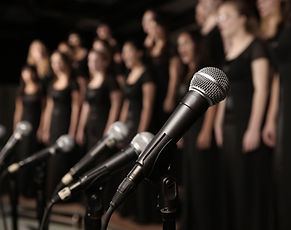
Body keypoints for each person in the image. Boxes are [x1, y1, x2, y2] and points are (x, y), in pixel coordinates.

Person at [215, 1, 270, 230]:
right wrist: (218, 124)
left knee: (247, 184)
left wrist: (254, 127)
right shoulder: (228, 52)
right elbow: (224, 94)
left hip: (246, 122)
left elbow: (262, 89)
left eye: (226, 16)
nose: (221, 23)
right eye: (219, 18)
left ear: (242, 18)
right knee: (231, 185)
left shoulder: (256, 46)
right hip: (228, 126)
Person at [176, 30, 218, 230]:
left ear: (196, 44)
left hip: (201, 128)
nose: (181, 48)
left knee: (202, 181)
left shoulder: (204, 69)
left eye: (185, 43)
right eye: (179, 45)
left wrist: (207, 130)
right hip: (190, 131)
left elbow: (213, 103)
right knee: (190, 179)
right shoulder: (186, 71)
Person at [118, 40, 157, 223]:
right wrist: (123, 127)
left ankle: (143, 214)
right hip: (129, 126)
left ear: (139, 53)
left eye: (128, 51)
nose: (125, 56)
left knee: (139, 169)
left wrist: (140, 132)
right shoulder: (129, 73)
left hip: (141, 127)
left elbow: (148, 106)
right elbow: (126, 104)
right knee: (126, 168)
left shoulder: (147, 75)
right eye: (123, 52)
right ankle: (128, 209)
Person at [265, 0, 291, 228]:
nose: (260, 3)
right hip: (284, 101)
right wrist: (272, 118)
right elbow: (276, 79)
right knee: (282, 168)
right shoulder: (276, 28)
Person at [40, 51, 80, 197]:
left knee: (63, 160)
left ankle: (64, 195)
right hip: (53, 125)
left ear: (65, 62)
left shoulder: (72, 82)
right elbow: (49, 108)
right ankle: (51, 193)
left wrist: (73, 130)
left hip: (65, 122)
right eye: (53, 62)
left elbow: (76, 108)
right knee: (52, 159)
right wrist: (44, 128)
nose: (56, 65)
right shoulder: (52, 83)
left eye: (59, 61)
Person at [75, 49, 121, 150]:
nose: (92, 64)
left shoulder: (110, 81)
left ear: (104, 62)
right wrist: (81, 128)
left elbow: (115, 106)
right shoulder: (90, 83)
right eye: (90, 61)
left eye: (96, 60)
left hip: (103, 123)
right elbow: (86, 107)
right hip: (91, 126)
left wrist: (109, 129)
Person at [144, 12, 181, 131]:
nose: (154, 30)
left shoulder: (170, 48)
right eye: (152, 28)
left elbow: (174, 75)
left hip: (165, 91)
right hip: (152, 93)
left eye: (156, 27)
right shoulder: (149, 49)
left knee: (165, 126)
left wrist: (170, 96)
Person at [13, 65, 42, 197]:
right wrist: (16, 127)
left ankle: (30, 189)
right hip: (23, 124)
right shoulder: (22, 89)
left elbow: (45, 108)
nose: (27, 75)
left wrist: (42, 127)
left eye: (29, 72)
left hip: (35, 123)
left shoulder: (39, 88)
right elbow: (18, 110)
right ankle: (21, 188)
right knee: (21, 154)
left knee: (31, 154)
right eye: (24, 72)